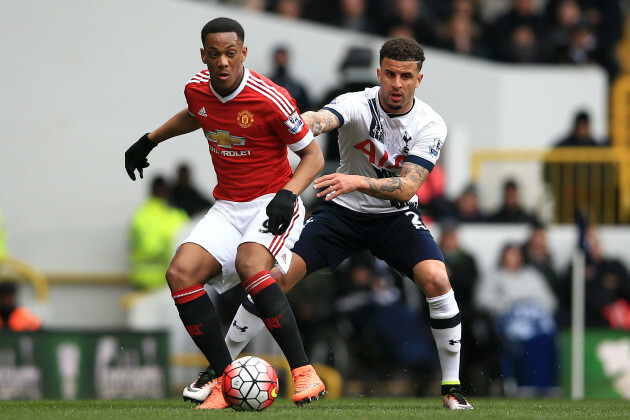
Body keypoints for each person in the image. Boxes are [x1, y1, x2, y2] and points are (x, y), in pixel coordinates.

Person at [191, 37, 473, 409]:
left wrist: (356, 181)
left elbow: (407, 187)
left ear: (419, 79)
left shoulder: (430, 124)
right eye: (389, 74)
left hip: (394, 218)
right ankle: (218, 371)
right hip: (343, 214)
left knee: (438, 278)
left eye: (406, 76)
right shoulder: (357, 102)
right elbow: (319, 120)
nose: (396, 84)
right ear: (379, 73)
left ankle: (451, 387)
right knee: (273, 280)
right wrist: (293, 125)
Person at [123, 17, 326, 409]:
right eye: (214, 54)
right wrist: (149, 140)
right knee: (179, 274)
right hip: (228, 206)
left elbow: (313, 157)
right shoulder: (196, 89)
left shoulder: (271, 98)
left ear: (243, 53)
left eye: (230, 53)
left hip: (273, 201)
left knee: (252, 265)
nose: (222, 61)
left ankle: (304, 372)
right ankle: (221, 376)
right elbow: (194, 113)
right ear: (204, 55)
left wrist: (287, 194)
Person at [474, 243, 558, 396]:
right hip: (507, 321)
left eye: (515, 255)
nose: (512, 259)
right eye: (509, 255)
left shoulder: (532, 275)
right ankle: (523, 385)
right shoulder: (494, 276)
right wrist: (506, 305)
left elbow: (550, 301)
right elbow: (482, 300)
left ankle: (545, 386)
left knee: (546, 337)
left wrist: (530, 307)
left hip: (535, 320)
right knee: (519, 338)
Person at [129, 175, 189, 290]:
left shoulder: (140, 215)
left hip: (158, 280)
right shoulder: (176, 216)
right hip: (154, 282)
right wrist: (170, 246)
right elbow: (150, 248)